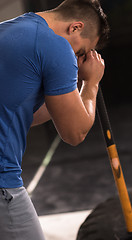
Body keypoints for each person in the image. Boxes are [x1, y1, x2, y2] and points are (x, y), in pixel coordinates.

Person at [0, 0, 109, 239]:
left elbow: (20, 114)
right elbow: (75, 133)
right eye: (81, 52)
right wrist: (90, 83)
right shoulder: (56, 46)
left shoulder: (7, 30)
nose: (78, 58)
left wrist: (73, 84)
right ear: (75, 28)